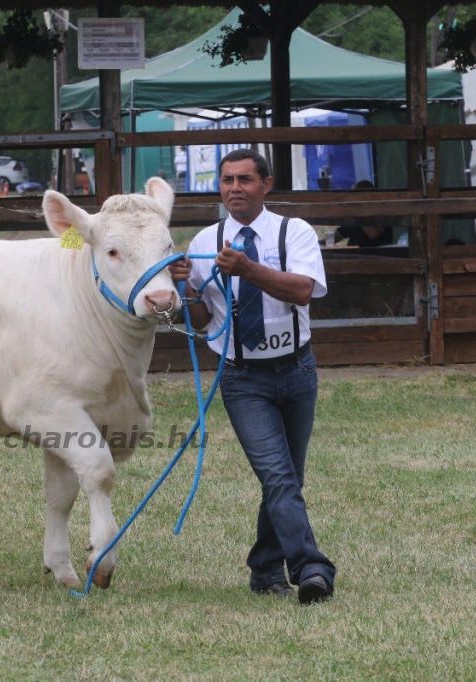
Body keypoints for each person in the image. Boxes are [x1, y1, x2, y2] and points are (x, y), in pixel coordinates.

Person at [169, 148, 336, 605]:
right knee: (278, 477)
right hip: (243, 379)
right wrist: (187, 289)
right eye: (226, 180)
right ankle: (312, 569)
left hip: (297, 369)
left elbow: (303, 290)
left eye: (244, 179)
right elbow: (202, 320)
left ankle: (265, 569)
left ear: (266, 184)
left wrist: (248, 269)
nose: (234, 188)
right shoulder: (206, 240)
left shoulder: (292, 232)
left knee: (286, 479)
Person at [334, 180, 393, 247]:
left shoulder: (381, 212)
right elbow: (338, 236)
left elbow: (374, 234)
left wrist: (359, 210)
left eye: (354, 194)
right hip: (354, 255)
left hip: (374, 255)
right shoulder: (354, 214)